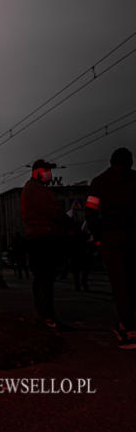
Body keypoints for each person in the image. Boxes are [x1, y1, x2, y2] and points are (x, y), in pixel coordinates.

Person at [85, 147, 136, 349]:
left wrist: (98, 237)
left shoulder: (99, 182)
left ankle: (128, 328)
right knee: (133, 281)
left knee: (119, 284)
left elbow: (90, 213)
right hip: (134, 236)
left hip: (111, 239)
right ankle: (129, 322)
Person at [20, 159, 72, 329]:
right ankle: (47, 317)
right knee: (45, 279)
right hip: (43, 238)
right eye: (46, 170)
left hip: (37, 238)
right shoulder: (37, 190)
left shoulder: (32, 189)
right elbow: (53, 211)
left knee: (42, 278)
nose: (49, 174)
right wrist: (70, 224)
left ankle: (44, 315)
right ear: (37, 171)